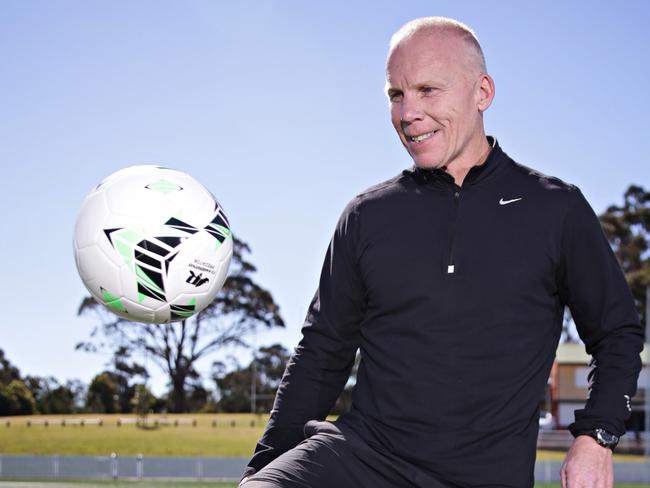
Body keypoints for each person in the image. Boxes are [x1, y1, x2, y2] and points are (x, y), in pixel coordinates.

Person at [239, 16, 644, 488]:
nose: (408, 111)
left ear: (482, 93)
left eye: (428, 90)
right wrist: (260, 472)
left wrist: (596, 436)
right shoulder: (367, 215)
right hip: (362, 457)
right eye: (396, 94)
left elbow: (616, 332)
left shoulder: (556, 209)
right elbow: (320, 355)